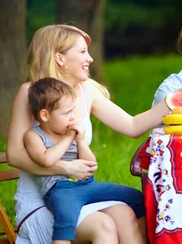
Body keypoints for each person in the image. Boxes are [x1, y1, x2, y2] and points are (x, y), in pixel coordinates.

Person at [7, 24, 171, 244]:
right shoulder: (30, 93)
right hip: (39, 201)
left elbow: (132, 126)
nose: (90, 59)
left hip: (80, 193)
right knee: (104, 226)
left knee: (126, 214)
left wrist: (173, 102)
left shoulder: (87, 90)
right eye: (82, 52)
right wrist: (63, 167)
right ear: (60, 59)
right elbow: (14, 156)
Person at [24, 78, 145, 244]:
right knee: (66, 216)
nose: (72, 117)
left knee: (135, 197)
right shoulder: (34, 136)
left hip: (87, 185)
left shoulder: (71, 134)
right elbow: (46, 159)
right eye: (66, 113)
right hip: (60, 189)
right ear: (45, 115)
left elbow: (91, 164)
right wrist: (68, 139)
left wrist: (80, 141)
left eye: (73, 111)